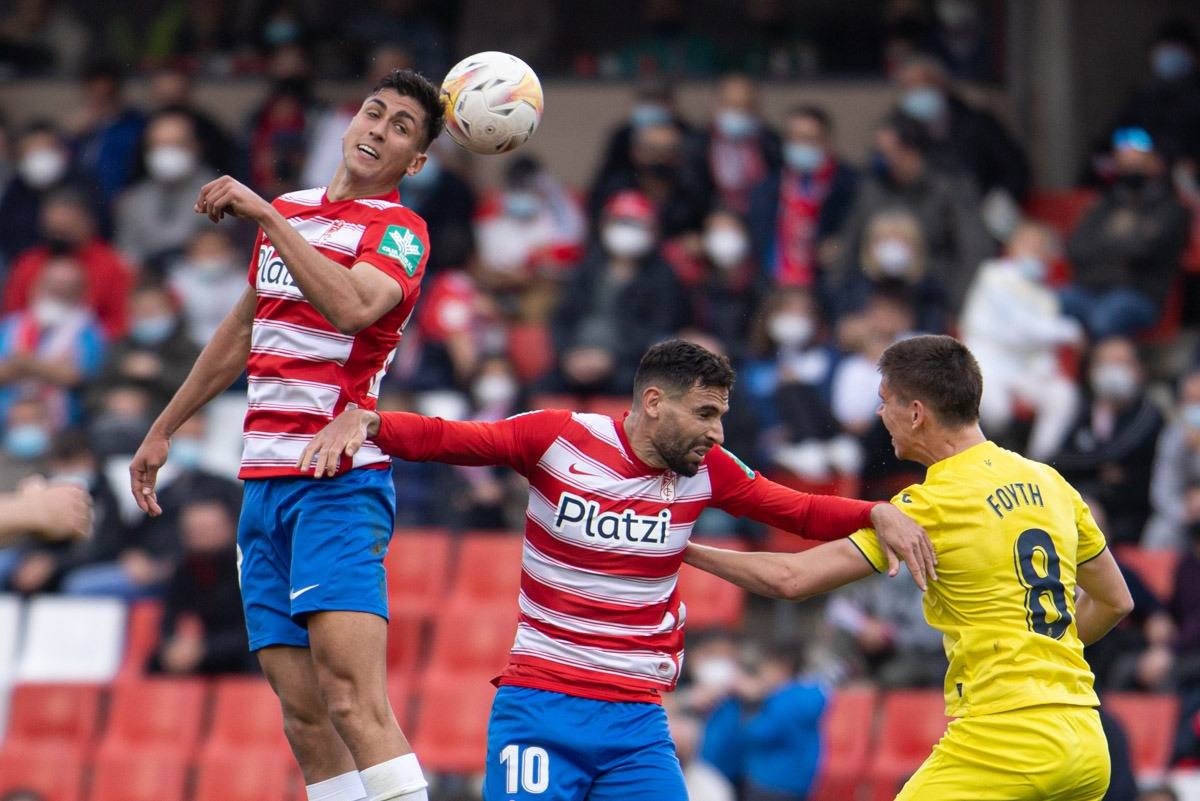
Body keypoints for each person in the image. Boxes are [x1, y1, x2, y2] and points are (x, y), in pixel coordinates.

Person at [298, 339, 934, 801]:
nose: (717, 432)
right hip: (543, 705)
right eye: (706, 414)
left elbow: (797, 510)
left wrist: (877, 513)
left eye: (722, 417)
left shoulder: (707, 472)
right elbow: (454, 438)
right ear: (653, 402)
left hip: (637, 720)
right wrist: (373, 421)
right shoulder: (557, 439)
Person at [128, 68, 446, 801]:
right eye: (375, 112)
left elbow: (351, 309)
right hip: (262, 485)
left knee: (351, 700)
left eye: (402, 127)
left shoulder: (401, 232)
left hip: (338, 482)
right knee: (303, 717)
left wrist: (269, 218)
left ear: (416, 161)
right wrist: (164, 425)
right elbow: (243, 327)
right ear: (351, 120)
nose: (379, 129)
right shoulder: (299, 208)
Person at [684, 334, 1134, 801]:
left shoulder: (931, 504)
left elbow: (792, 578)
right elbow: (1115, 600)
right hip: (1084, 737)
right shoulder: (1050, 481)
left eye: (885, 402)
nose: (881, 415)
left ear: (916, 413)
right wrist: (1044, 657)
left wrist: (685, 548)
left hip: (1006, 740)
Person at [961, 221, 1083, 461]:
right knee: (997, 411)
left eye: (1041, 248)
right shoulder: (994, 275)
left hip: (1022, 369)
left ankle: (1040, 464)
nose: (1034, 252)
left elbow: (1043, 348)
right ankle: (990, 463)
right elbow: (1021, 330)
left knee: (1063, 395)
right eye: (1028, 245)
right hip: (985, 364)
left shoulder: (1046, 296)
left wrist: (1044, 371)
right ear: (1013, 247)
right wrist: (1070, 331)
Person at [1064, 127, 1190, 339]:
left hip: (1138, 295)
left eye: (1137, 161)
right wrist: (1123, 240)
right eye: (1124, 161)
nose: (1130, 167)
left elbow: (1143, 250)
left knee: (1104, 317)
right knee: (1049, 306)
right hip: (1089, 290)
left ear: (1157, 163)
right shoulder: (1104, 205)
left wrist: (1105, 241)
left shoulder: (1171, 208)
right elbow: (1075, 247)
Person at [1052, 337, 1163, 545]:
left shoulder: (1149, 415)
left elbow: (1118, 456)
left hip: (1129, 519)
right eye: (1104, 363)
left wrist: (1087, 468)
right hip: (1084, 503)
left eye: (1121, 363)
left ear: (1140, 370)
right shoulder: (1082, 410)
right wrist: (1098, 472)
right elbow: (1057, 460)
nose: (1112, 371)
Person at [747, 104, 858, 289]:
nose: (800, 146)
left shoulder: (850, 185)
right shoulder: (767, 187)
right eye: (793, 139)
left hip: (825, 286)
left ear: (827, 142)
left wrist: (840, 248)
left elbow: (857, 232)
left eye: (808, 139)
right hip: (776, 286)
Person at [115, 109, 220, 270]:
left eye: (176, 144)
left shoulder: (219, 194)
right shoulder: (133, 201)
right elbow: (126, 257)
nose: (168, 152)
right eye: (159, 145)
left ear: (195, 146)